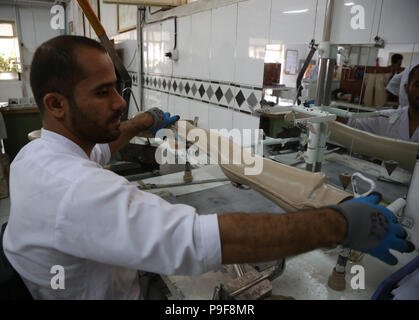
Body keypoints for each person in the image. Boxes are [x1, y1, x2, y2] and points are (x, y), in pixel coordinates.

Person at [2, 36, 414, 300]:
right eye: (102, 92)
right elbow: (195, 241)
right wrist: (339, 224)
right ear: (56, 104)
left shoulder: (40, 153)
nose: (119, 103)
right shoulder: (75, 190)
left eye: (117, 87)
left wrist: (146, 122)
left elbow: (104, 150)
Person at [345, 64, 419, 143]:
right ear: (406, 88)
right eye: (418, 85)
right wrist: (331, 114)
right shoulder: (387, 118)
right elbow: (351, 122)